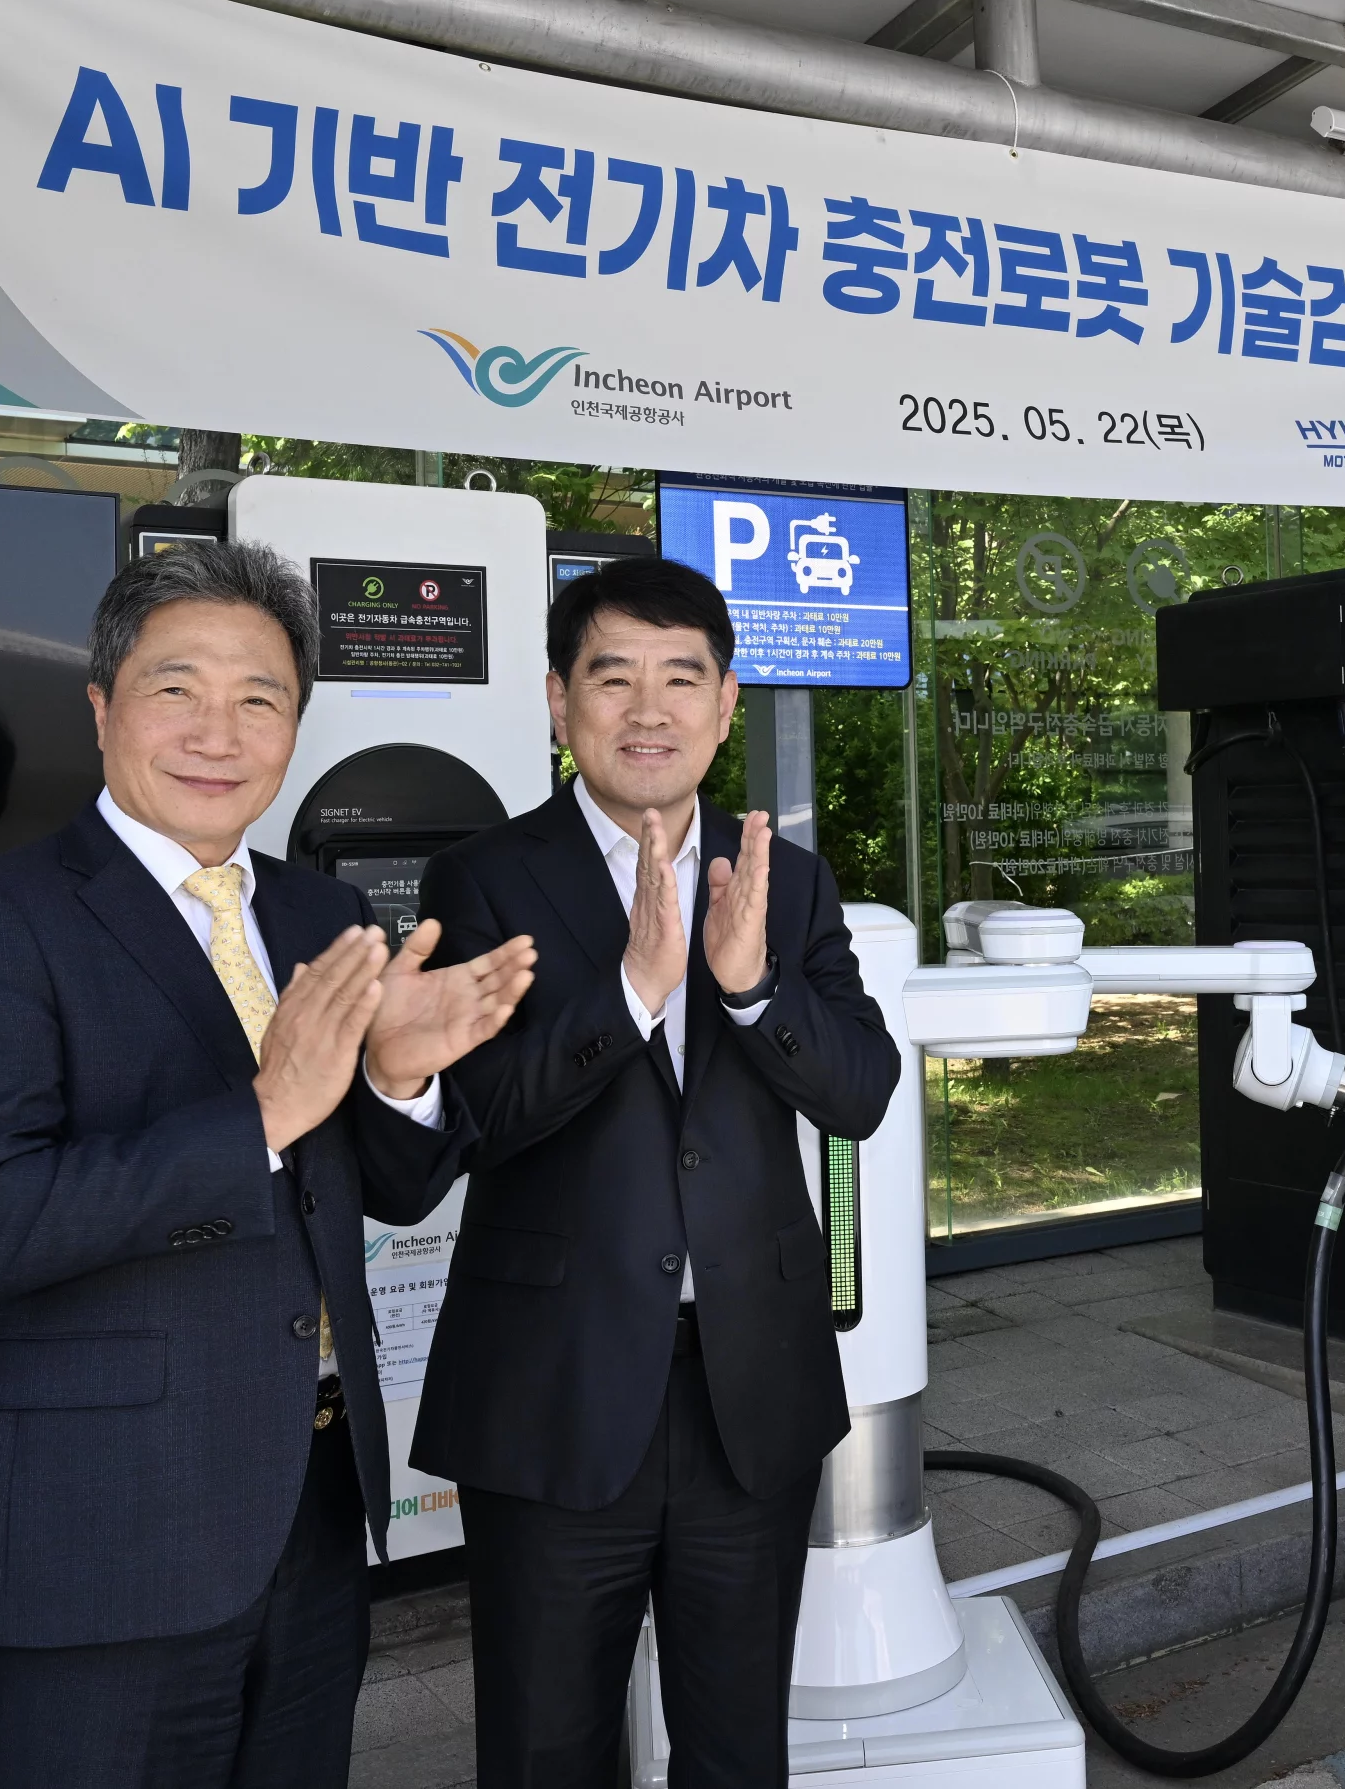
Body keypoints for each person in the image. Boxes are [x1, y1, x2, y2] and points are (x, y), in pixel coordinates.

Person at [0, 541, 537, 1788]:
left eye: (260, 699)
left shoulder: (319, 918)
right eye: (176, 688)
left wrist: (400, 1081)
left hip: (309, 1506)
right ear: (102, 706)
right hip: (104, 1528)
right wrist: (262, 1113)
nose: (217, 733)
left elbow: (380, 1191)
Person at [414, 555, 901, 1788]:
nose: (649, 709)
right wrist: (630, 994)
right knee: (545, 1748)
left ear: (725, 702)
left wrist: (752, 989)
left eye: (682, 678)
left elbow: (860, 1091)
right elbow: (476, 1119)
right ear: (558, 699)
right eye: (612, 677)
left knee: (737, 1751)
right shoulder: (484, 877)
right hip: (556, 1387)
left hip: (750, 1389)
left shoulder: (788, 881)